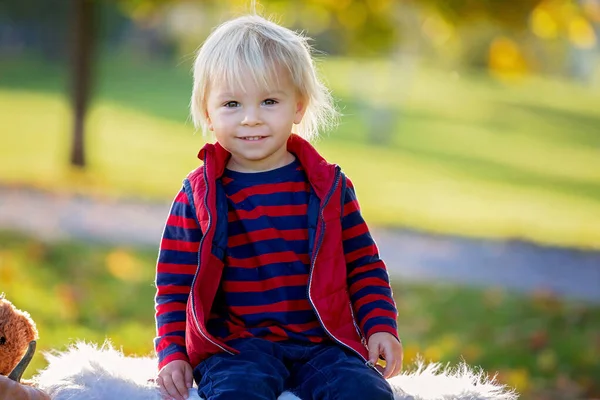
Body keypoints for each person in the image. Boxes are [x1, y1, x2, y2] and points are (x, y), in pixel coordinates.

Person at [154, 13, 403, 400]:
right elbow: (174, 284)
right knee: (238, 393)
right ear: (208, 112)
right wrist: (172, 352)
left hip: (322, 344)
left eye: (269, 101)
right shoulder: (199, 194)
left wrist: (380, 326)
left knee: (364, 392)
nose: (251, 118)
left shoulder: (329, 188)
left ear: (298, 108)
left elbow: (363, 266)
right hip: (235, 348)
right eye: (232, 103)